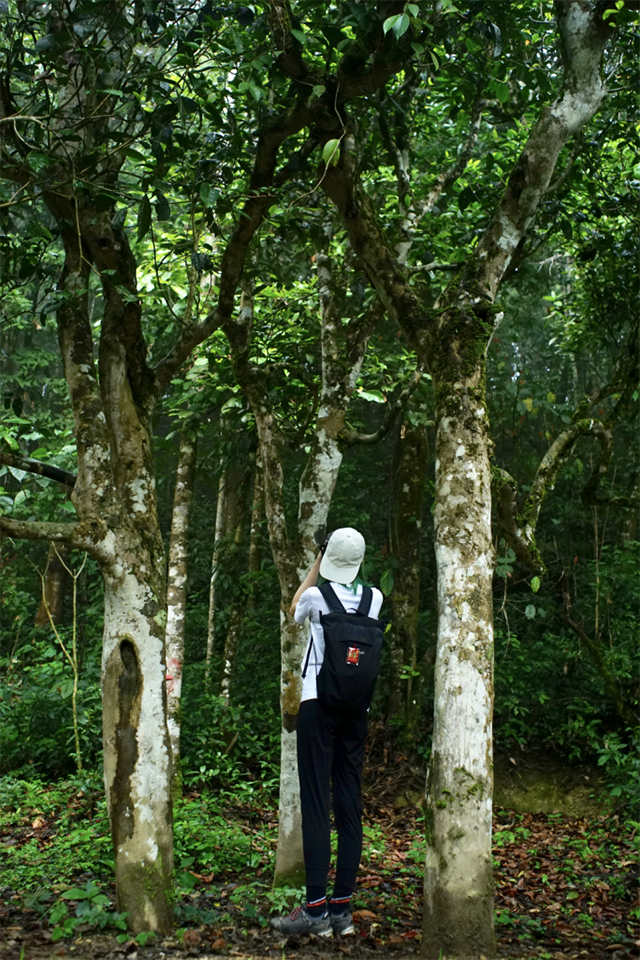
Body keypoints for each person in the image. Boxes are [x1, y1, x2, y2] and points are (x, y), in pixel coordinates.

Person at [270, 527, 383, 938]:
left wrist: (318, 562)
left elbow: (294, 607)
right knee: (349, 806)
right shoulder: (375, 599)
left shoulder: (319, 597)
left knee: (318, 803)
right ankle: (342, 912)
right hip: (357, 709)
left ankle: (314, 912)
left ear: (331, 559)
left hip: (319, 706)